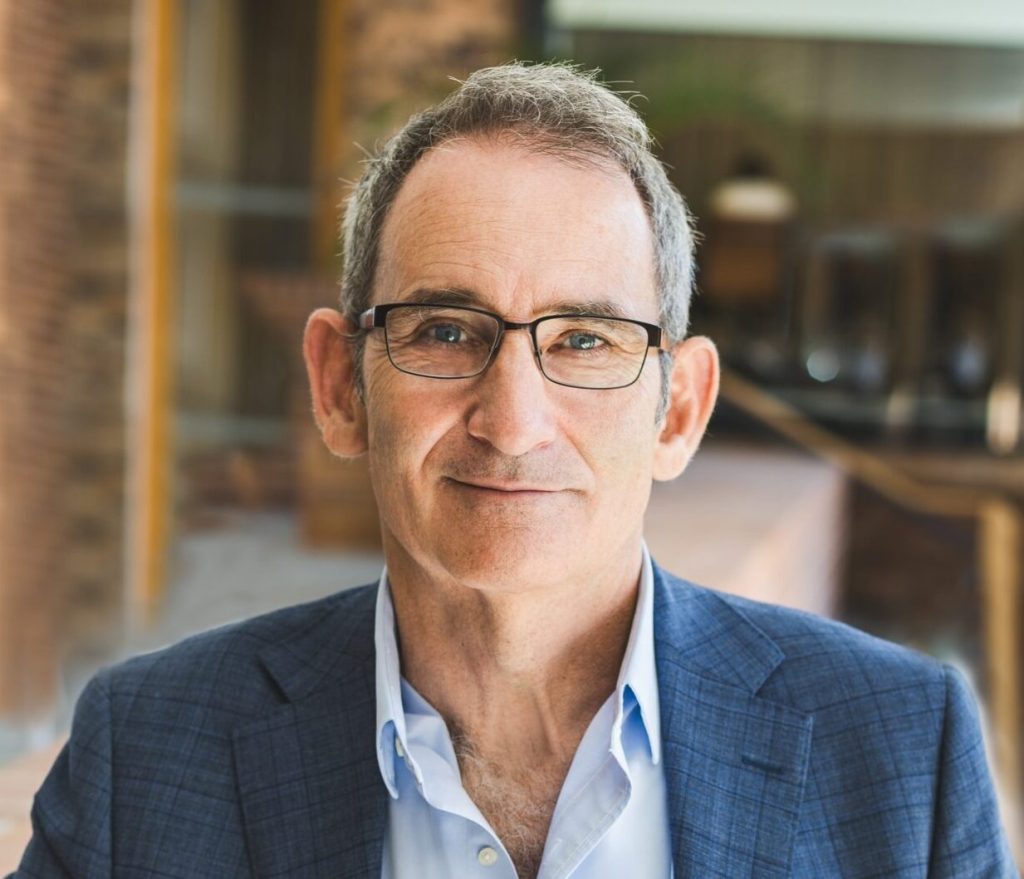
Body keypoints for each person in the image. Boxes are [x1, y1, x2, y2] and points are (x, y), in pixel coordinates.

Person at [10, 62, 1017, 879]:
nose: (513, 421)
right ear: (339, 386)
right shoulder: (146, 753)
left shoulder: (897, 751)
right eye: (446, 331)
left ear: (678, 410)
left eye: (585, 340)